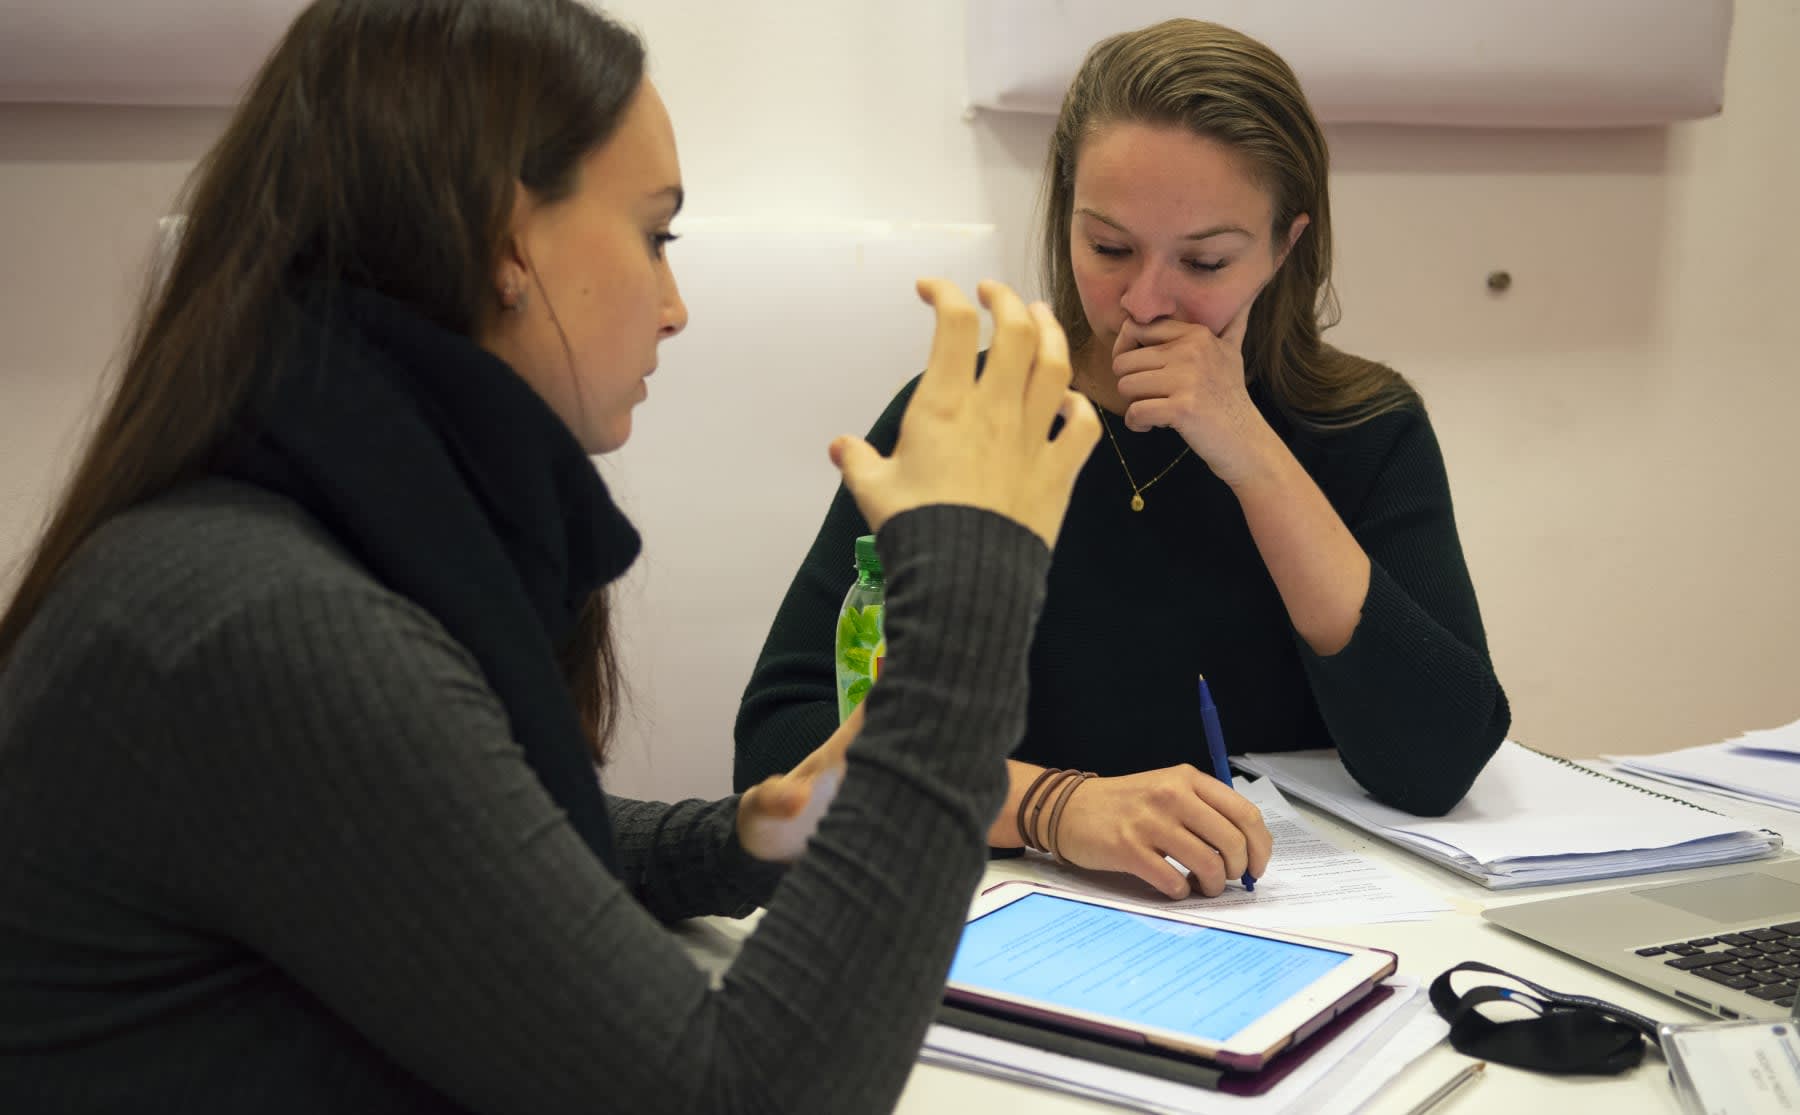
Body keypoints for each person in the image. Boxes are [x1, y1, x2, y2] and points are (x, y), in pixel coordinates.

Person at [0, 2, 1100, 1112]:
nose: (674, 307)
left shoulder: (288, 528)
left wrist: (757, 833)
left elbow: (468, 832)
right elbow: (740, 1096)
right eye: (657, 236)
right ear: (506, 243)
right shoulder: (269, 624)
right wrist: (966, 615)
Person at [736, 18, 1509, 902]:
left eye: (1204, 261)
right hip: (1000, 918)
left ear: (1284, 247)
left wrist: (1252, 454)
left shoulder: (1365, 430)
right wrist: (1050, 805)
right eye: (1108, 248)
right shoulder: (969, 413)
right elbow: (778, 747)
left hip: (1291, 919)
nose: (1144, 302)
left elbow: (1439, 761)